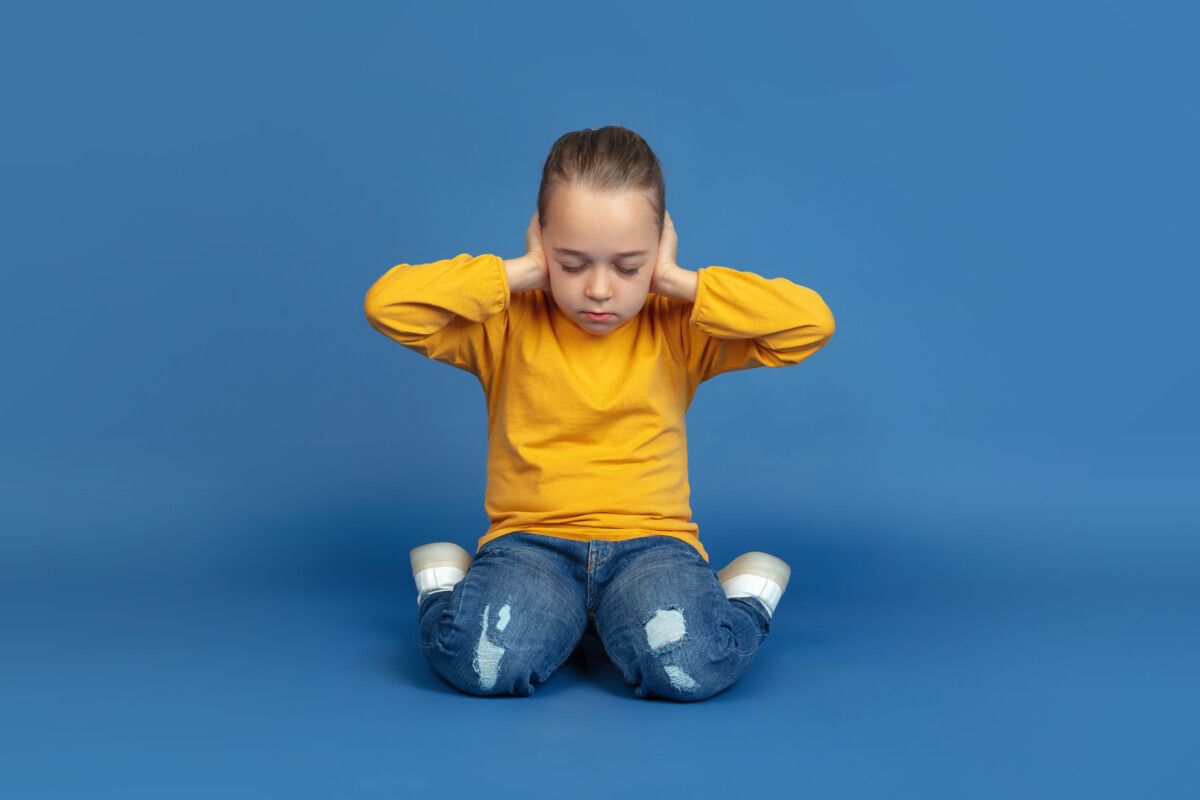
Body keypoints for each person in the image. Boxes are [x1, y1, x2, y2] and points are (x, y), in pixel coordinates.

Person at [364, 125, 835, 700]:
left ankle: (742, 599)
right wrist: (519, 272)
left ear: (660, 244)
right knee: (481, 664)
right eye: (571, 263)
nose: (600, 290)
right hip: (532, 546)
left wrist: (675, 282)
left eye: (629, 267)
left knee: (689, 668)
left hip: (651, 547)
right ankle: (445, 588)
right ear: (540, 238)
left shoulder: (676, 325)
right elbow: (388, 305)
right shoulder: (507, 321)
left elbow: (810, 325)